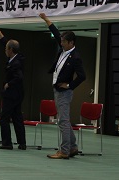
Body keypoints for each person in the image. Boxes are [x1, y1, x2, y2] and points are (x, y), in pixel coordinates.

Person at [39, 13, 86, 159]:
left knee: (63, 121)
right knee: (63, 120)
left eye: (64, 42)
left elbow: (82, 76)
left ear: (71, 43)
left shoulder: (76, 57)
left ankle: (64, 151)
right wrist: (46, 20)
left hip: (64, 92)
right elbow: (55, 32)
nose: (61, 43)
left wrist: (70, 85)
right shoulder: (63, 49)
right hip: (57, 89)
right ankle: (72, 147)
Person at [0, 27, 26, 151]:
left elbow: (19, 77)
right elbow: (5, 42)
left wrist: (9, 84)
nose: (4, 50)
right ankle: (22, 143)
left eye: (6, 49)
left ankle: (7, 143)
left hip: (11, 94)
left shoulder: (15, 63)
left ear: (10, 50)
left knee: (4, 118)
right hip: (18, 95)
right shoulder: (17, 57)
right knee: (17, 118)